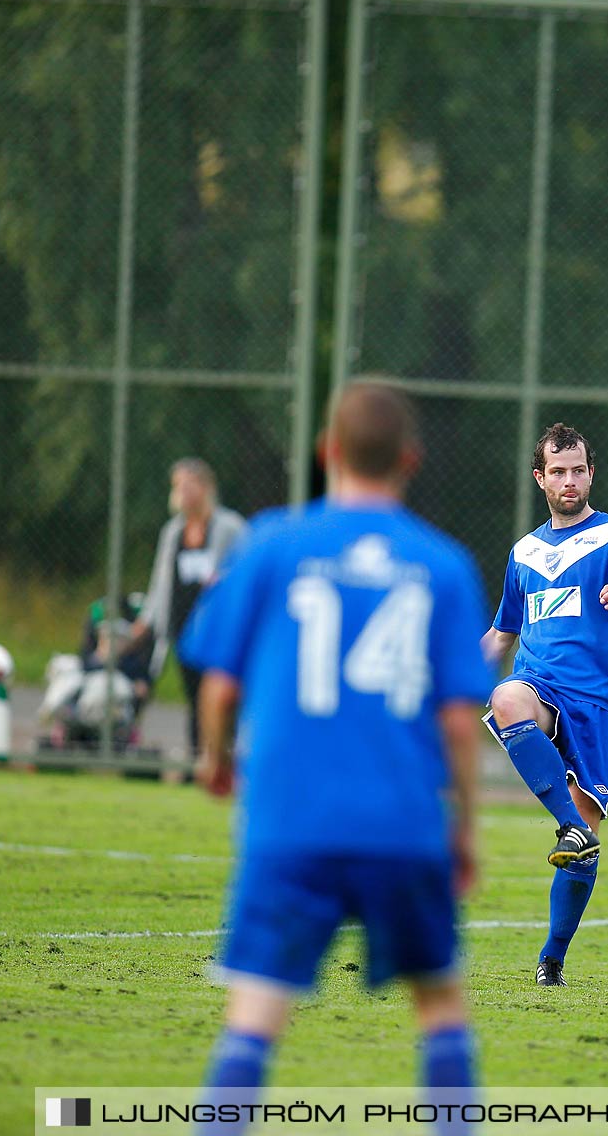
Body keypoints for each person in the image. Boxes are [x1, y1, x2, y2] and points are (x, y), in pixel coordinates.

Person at [180, 383, 493, 1134]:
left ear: (326, 452)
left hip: (291, 821)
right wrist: (465, 829)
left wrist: (215, 760)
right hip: (404, 822)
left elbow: (218, 688)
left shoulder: (272, 543)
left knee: (255, 1012)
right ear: (411, 460)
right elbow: (459, 720)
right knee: (440, 1003)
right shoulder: (444, 565)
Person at [480, 422, 608, 987]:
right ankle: (572, 824)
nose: (569, 481)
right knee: (507, 696)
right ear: (541, 479)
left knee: (581, 852)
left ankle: (552, 959)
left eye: (578, 470)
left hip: (597, 704)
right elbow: (502, 635)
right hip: (540, 683)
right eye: (558, 472)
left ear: (591, 473)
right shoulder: (524, 552)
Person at [134, 458, 247, 759]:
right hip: (183, 625)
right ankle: (198, 762)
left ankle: (224, 758)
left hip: (219, 625)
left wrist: (223, 581)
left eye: (188, 485)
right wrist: (147, 621)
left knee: (220, 693)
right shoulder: (173, 531)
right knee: (194, 697)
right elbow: (161, 580)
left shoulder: (230, 527)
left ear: (206, 487)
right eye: (178, 486)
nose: (182, 492)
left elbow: (246, 571)